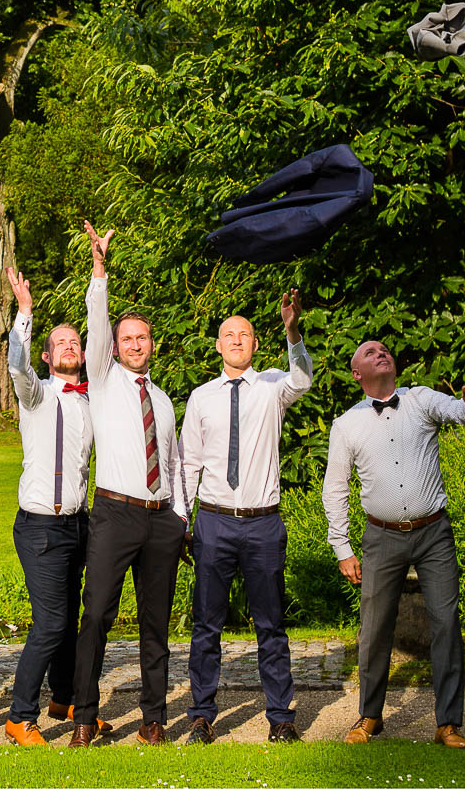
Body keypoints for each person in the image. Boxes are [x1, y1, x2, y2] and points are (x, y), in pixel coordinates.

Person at [325, 340, 465, 749]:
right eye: (369, 352)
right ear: (357, 374)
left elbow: (460, 412)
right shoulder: (347, 424)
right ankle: (370, 716)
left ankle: (448, 723)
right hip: (380, 536)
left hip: (434, 532)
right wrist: (342, 547)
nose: (380, 352)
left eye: (384, 349)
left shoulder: (420, 399)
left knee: (446, 622)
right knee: (375, 628)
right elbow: (335, 489)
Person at [66, 225, 189, 747]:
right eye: (126, 339)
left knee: (155, 624)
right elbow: (95, 323)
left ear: (152, 346)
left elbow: (176, 461)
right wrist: (99, 269)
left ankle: (153, 717)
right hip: (115, 513)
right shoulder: (105, 378)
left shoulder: (160, 399)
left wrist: (181, 517)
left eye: (142, 338)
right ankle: (86, 717)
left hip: (161, 517)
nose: (135, 345)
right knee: (95, 614)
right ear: (114, 348)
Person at [180, 288, 310, 744]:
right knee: (206, 624)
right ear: (218, 346)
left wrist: (292, 331)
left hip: (262, 523)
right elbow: (187, 464)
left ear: (256, 345)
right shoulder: (200, 398)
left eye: (246, 334)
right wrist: (183, 521)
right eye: (229, 334)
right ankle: (201, 715)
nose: (237, 340)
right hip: (213, 520)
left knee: (270, 623)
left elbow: (304, 379)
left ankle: (281, 717)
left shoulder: (275, 386)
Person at [0, 265, 95, 747]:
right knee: (51, 621)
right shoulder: (34, 394)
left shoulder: (89, 399)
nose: (70, 347)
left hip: (79, 524)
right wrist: (25, 312)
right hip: (39, 526)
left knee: (70, 616)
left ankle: (63, 698)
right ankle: (20, 715)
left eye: (75, 341)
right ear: (46, 354)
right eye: (61, 343)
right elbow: (16, 365)